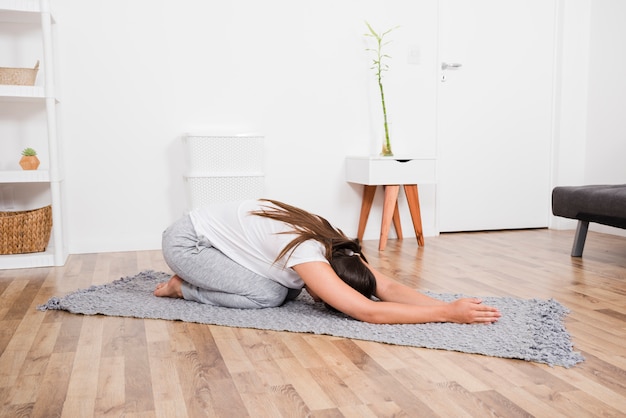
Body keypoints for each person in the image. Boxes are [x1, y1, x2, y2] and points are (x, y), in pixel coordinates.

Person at [154, 198, 501, 325]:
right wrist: (446, 314)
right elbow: (368, 311)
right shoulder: (307, 253)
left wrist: (446, 304)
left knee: (288, 291)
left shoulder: (334, 247)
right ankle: (182, 287)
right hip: (188, 244)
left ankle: (194, 281)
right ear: (332, 278)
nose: (324, 300)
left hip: (213, 241)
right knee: (270, 296)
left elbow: (386, 287)